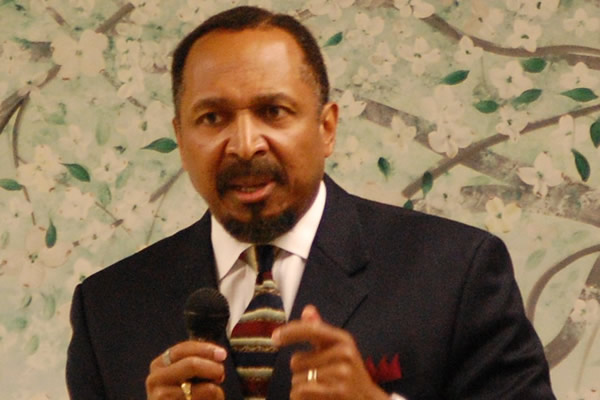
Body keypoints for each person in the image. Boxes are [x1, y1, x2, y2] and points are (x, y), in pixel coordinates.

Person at [66, 6, 556, 400]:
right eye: (212, 118)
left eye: (273, 111)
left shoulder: (455, 272)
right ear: (180, 137)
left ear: (327, 128)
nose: (245, 145)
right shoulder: (107, 309)